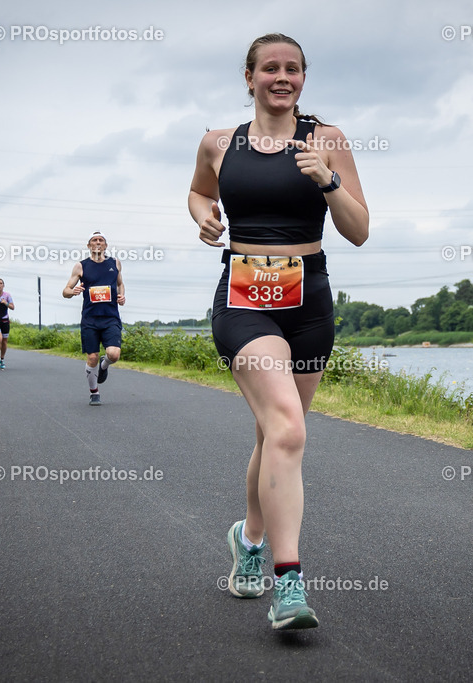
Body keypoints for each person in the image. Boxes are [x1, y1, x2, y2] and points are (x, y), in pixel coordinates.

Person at [188, 33, 368, 630]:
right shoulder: (219, 143)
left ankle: (249, 539)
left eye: (293, 68)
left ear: (304, 78)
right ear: (249, 78)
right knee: (288, 428)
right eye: (270, 68)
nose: (281, 77)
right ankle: (288, 584)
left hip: (309, 301)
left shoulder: (327, 140)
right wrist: (204, 217)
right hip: (244, 299)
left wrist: (329, 181)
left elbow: (359, 230)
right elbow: (198, 191)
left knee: (276, 436)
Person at [62, 231, 125, 406]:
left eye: (101, 240)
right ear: (89, 245)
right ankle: (94, 392)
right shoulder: (81, 266)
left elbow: (120, 284)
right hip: (90, 319)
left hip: (111, 317)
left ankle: (104, 365)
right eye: (94, 240)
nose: (98, 242)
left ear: (105, 245)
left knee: (114, 354)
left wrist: (122, 296)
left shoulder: (115, 263)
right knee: (92, 357)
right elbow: (65, 291)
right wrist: (72, 291)